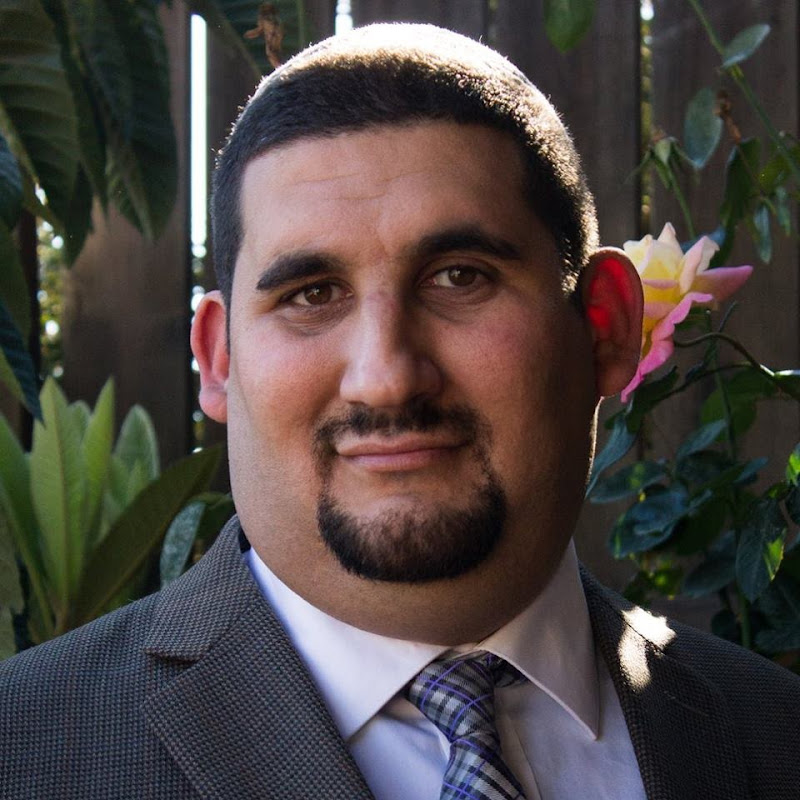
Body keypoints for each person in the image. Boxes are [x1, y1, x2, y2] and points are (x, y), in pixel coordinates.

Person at [1, 23, 797, 800]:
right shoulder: (22, 751)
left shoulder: (777, 736)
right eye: (312, 294)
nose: (385, 378)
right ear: (219, 358)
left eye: (460, 277)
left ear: (604, 328)